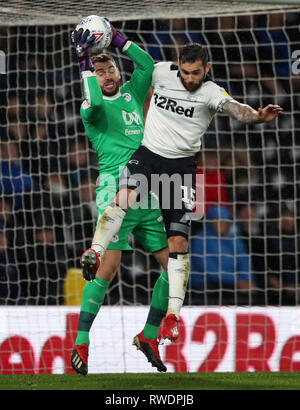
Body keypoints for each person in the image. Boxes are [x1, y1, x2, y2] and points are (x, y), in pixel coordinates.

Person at [89, 42, 283, 338]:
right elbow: (141, 65)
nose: (189, 78)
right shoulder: (161, 72)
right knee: (122, 199)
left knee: (178, 244)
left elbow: (237, 110)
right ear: (177, 65)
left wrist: (256, 116)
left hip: (181, 170)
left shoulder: (211, 92)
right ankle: (94, 250)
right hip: (149, 155)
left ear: (206, 69)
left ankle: (172, 316)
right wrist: (116, 39)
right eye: (184, 71)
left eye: (194, 73)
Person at [70, 23, 170, 375]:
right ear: (92, 77)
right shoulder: (90, 108)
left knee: (175, 268)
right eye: (100, 71)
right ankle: (82, 340)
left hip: (150, 192)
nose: (107, 74)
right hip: (114, 187)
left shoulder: (131, 92)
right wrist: (85, 65)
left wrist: (117, 39)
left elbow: (146, 65)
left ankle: (149, 335)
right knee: (107, 270)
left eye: (110, 68)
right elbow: (94, 98)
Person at [190, 205, 257, 305]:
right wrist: (238, 281)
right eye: (216, 220)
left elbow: (244, 261)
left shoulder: (234, 238)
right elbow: (210, 271)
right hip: (206, 285)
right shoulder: (200, 240)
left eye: (223, 221)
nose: (220, 224)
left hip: (232, 284)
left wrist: (247, 279)